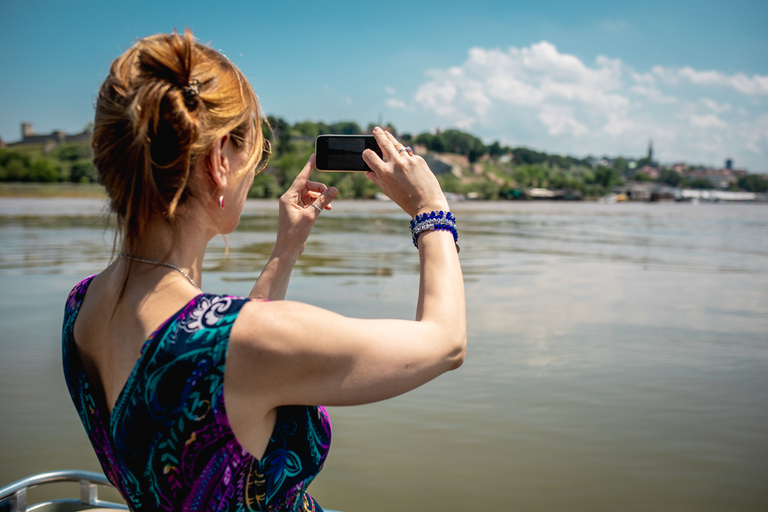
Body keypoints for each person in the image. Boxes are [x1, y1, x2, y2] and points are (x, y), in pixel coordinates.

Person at [62, 29, 465, 512]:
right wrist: (431, 209)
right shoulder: (248, 343)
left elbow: (225, 374)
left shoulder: (82, 305)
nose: (254, 171)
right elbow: (445, 343)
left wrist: (285, 250)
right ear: (218, 163)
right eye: (255, 154)